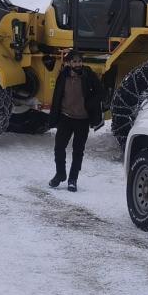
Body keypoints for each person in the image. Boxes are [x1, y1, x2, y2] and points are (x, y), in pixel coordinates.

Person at [48, 50, 104, 192]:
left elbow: (101, 92)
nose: (78, 64)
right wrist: (54, 117)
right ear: (69, 63)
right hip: (66, 118)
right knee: (59, 148)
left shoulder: (88, 75)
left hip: (82, 120)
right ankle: (60, 174)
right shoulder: (63, 76)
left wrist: (90, 104)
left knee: (78, 151)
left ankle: (73, 179)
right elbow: (57, 97)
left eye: (79, 61)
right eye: (74, 61)